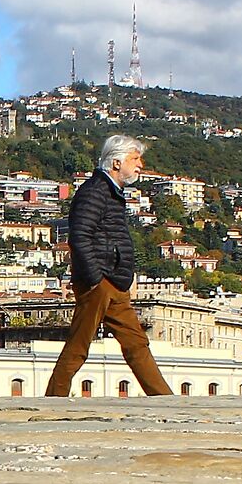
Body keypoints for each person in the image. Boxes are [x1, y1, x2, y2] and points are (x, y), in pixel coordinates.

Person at [46, 134, 172, 399]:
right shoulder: (95, 191)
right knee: (79, 345)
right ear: (116, 162)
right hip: (100, 282)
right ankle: (53, 400)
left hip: (114, 282)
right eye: (135, 159)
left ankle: (164, 399)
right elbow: (79, 235)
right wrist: (95, 278)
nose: (140, 165)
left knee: (136, 343)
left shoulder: (112, 193)